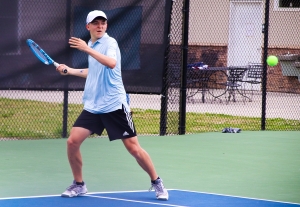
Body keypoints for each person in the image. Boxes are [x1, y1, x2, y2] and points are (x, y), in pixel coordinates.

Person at [56, 10, 168, 200]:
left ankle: (157, 182)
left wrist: (86, 49)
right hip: (93, 106)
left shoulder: (109, 43)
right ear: (88, 27)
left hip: (115, 105)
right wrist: (71, 70)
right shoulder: (92, 44)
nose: (100, 26)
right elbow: (94, 71)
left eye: (103, 23)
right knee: (72, 141)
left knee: (133, 148)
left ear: (106, 26)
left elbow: (111, 63)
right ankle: (79, 184)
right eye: (96, 23)